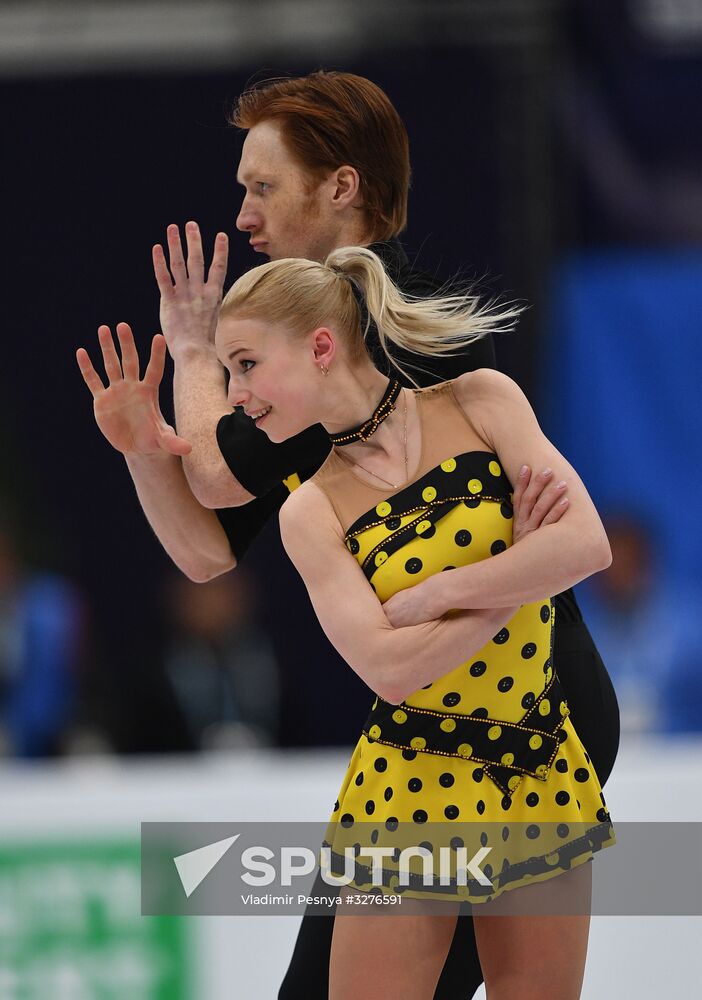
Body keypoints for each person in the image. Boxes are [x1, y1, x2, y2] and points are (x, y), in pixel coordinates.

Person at [76, 71, 620, 999]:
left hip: (538, 706)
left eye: (262, 186)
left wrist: (198, 350)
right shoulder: (301, 396)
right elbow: (205, 549)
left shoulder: (405, 328)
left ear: (341, 188)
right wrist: (142, 450)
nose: (243, 214)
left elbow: (216, 470)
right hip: (422, 738)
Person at [212, 245, 614, 998]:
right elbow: (392, 670)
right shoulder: (310, 509)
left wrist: (440, 594)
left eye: (245, 364)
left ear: (320, 348)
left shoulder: (481, 400)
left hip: (536, 764)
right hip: (411, 786)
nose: (235, 395)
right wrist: (520, 573)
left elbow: (586, 545)